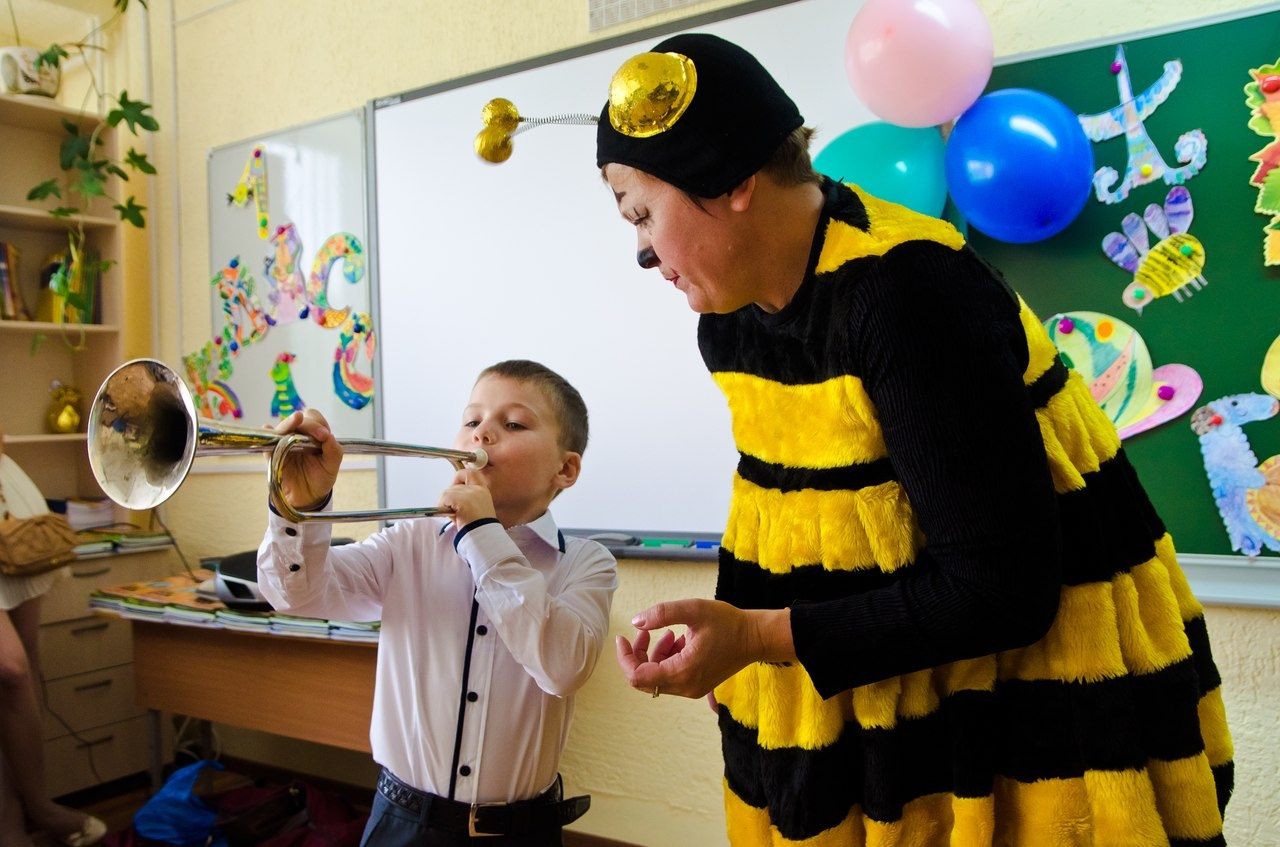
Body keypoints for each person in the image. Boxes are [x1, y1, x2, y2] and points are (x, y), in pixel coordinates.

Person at [599, 33, 1234, 846]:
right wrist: (735, 630)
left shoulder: (906, 294)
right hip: (877, 709)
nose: (644, 250)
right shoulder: (729, 326)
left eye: (641, 211)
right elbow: (780, 495)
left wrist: (759, 634)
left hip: (1026, 720)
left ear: (731, 183)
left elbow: (1001, 589)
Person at [257, 360, 616, 847]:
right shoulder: (408, 542)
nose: (482, 433)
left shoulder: (587, 564)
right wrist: (298, 504)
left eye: (512, 424)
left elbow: (563, 667)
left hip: (523, 828)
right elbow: (295, 595)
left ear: (565, 469)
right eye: (472, 421)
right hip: (402, 820)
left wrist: (481, 534)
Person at [0, 433, 107, 847]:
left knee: (25, 664)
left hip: (10, 506)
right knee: (11, 669)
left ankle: (16, 814)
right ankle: (35, 808)